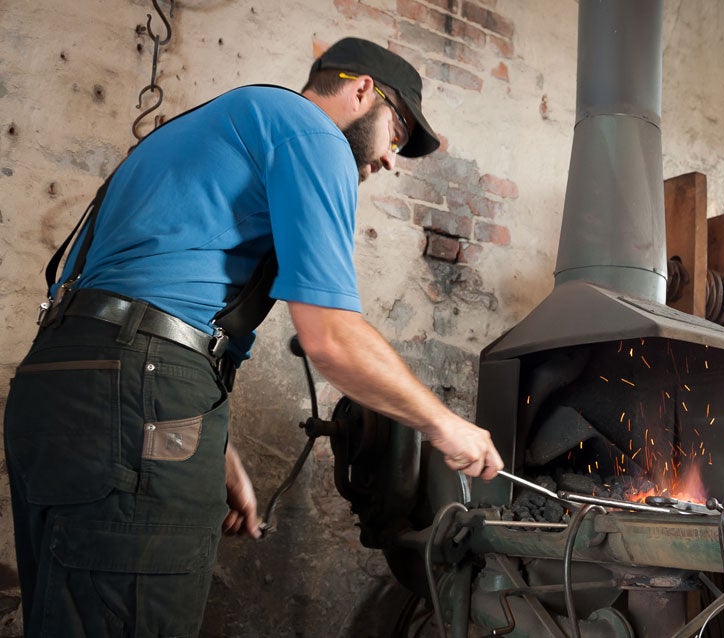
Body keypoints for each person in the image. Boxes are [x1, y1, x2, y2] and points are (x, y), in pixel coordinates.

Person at [3, 37, 504, 637]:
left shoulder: (223, 124)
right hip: (135, 392)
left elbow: (140, 307)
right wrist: (444, 424)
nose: (391, 159)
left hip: (57, 385)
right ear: (361, 91)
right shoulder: (312, 134)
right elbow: (331, 337)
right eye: (396, 132)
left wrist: (212, 446)